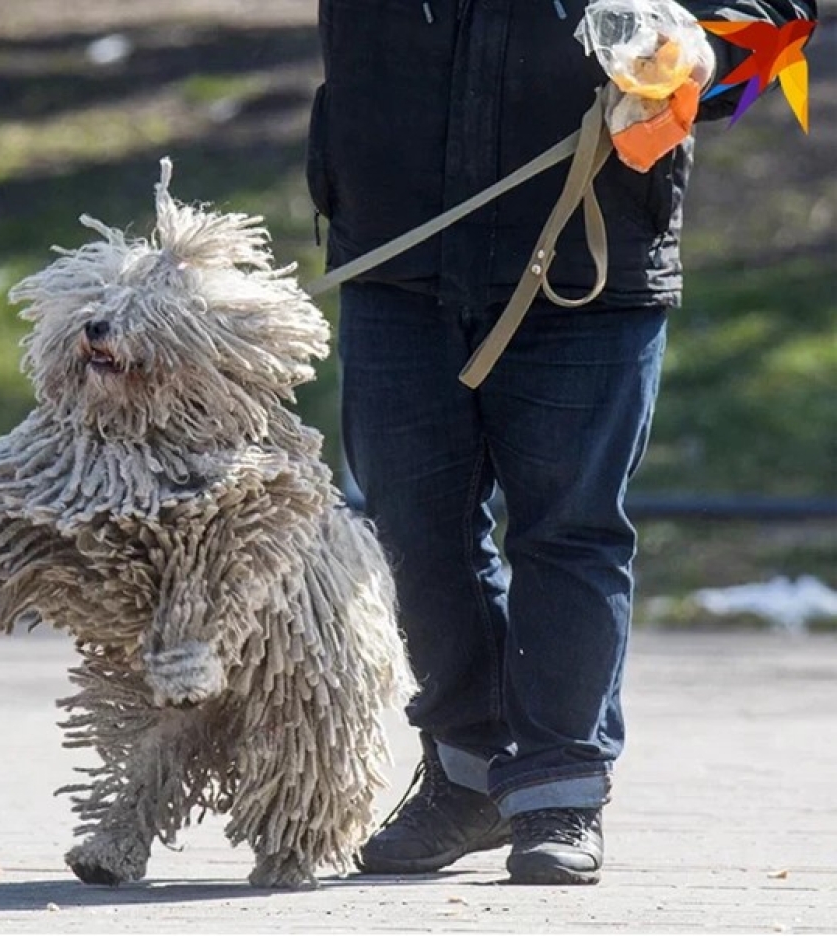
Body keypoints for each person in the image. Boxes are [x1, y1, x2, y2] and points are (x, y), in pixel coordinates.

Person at [307, 0, 814, 885]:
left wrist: (700, 52)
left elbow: (780, 15)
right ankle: (464, 775)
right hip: (395, 251)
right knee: (412, 526)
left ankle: (560, 791)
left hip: (597, 251)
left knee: (570, 528)